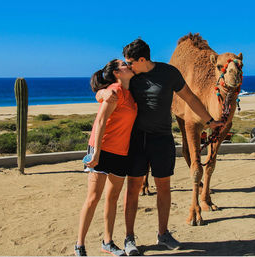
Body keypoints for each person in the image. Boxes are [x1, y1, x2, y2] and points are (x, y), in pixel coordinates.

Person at [99, 39, 223, 256]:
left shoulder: (169, 73)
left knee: (164, 188)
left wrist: (209, 120)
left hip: (162, 140)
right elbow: (105, 87)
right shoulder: (130, 76)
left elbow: (190, 98)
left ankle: (163, 233)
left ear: (142, 59)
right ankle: (129, 238)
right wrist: (101, 94)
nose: (127, 66)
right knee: (133, 189)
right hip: (136, 140)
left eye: (130, 62)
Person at [74, 59, 137, 256]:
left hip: (121, 152)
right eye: (125, 64)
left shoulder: (129, 92)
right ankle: (80, 245)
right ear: (117, 73)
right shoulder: (115, 90)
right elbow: (100, 120)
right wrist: (96, 152)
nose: (129, 64)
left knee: (113, 198)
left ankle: (107, 242)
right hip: (102, 149)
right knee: (93, 198)